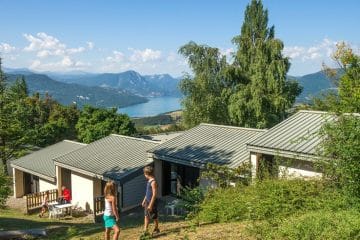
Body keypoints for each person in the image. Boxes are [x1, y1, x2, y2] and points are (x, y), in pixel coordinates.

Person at [141, 166, 160, 237]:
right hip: (147, 202)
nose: (144, 175)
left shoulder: (153, 182)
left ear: (147, 174)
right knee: (146, 216)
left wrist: (151, 205)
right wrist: (144, 200)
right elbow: (147, 193)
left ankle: (156, 228)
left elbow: (154, 194)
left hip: (152, 203)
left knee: (154, 216)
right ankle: (145, 231)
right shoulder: (149, 181)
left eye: (144, 174)